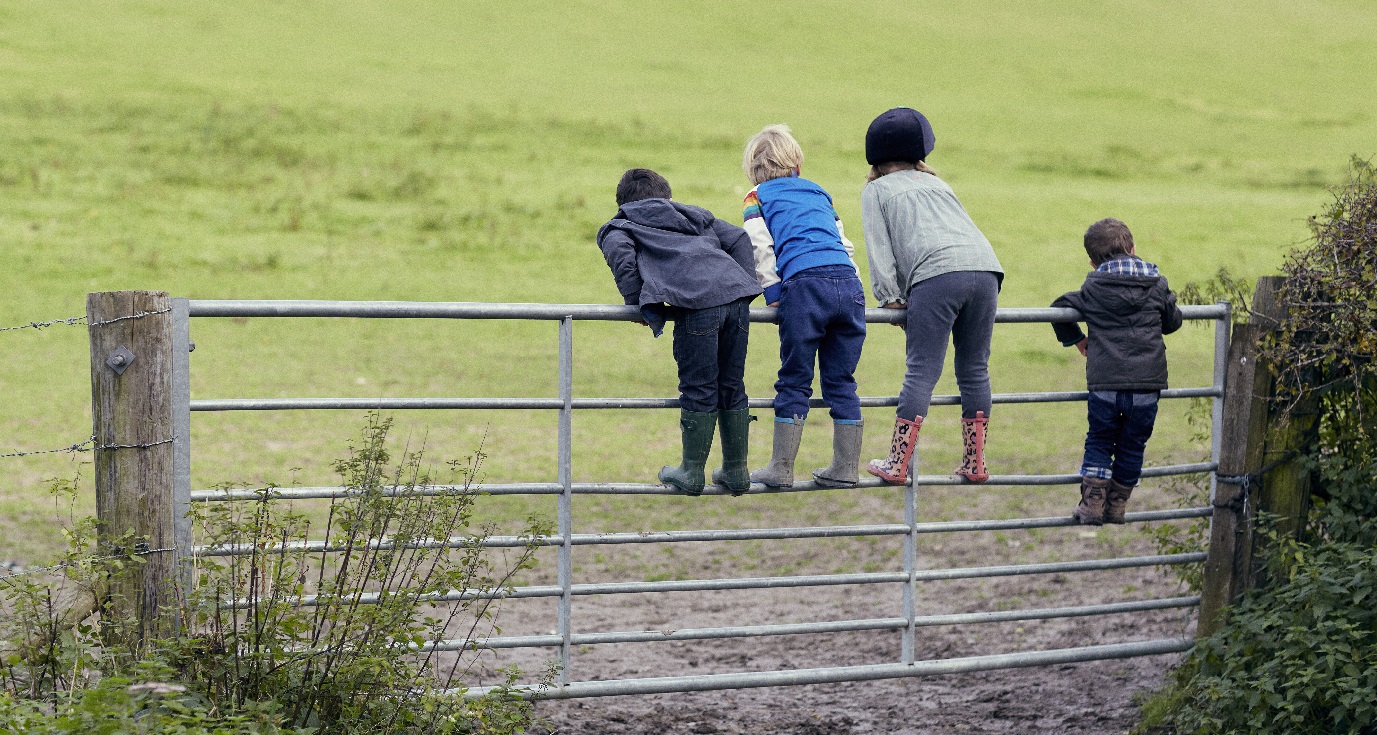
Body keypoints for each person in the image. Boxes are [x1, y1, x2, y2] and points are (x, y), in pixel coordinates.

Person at [596, 168, 763, 496]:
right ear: (668, 197)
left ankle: (691, 471)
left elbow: (621, 259)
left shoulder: (620, 225)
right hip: (736, 300)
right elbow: (740, 239)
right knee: (731, 383)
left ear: (622, 204)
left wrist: (639, 304)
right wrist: (744, 284)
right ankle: (736, 470)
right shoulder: (695, 215)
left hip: (697, 304)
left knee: (699, 386)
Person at [861, 107, 1005, 485]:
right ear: (922, 152)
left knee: (922, 369)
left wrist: (891, 299)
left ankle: (897, 462)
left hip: (936, 276)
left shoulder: (876, 190)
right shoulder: (941, 185)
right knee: (975, 369)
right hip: (987, 270)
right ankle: (976, 462)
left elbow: (879, 250)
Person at [740, 124, 867, 489]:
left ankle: (781, 468)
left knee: (795, 379)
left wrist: (774, 291)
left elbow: (760, 245)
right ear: (798, 164)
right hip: (848, 284)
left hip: (805, 286)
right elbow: (844, 244)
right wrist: (853, 284)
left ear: (753, 169)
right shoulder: (820, 192)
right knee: (842, 380)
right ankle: (845, 468)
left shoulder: (756, 196)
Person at [1051, 217, 1183, 524]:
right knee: (1133, 443)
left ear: (1092, 262)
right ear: (1134, 248)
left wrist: (1078, 340)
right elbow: (1172, 322)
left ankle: (1093, 503)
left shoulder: (1093, 287)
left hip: (1106, 384)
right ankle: (1118, 504)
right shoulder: (1156, 284)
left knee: (1099, 439)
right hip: (1148, 385)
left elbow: (1058, 309)